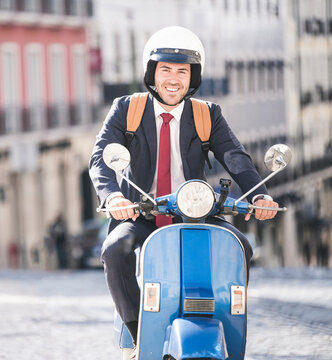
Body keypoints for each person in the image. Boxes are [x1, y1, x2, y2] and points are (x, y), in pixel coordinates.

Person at [88, 26, 279, 354]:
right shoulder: (127, 109)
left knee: (241, 247)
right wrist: (114, 197)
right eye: (165, 70)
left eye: (182, 71)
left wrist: (258, 194)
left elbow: (235, 156)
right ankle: (137, 334)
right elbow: (100, 156)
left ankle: (223, 318)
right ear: (152, 73)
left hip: (194, 210)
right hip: (141, 211)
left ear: (193, 76)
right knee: (114, 249)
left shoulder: (208, 114)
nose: (173, 79)